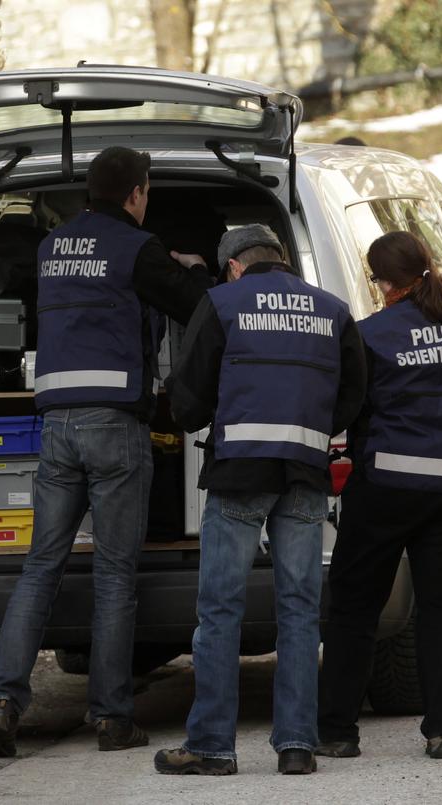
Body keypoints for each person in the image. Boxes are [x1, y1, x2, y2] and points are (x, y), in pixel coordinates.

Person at [0, 146, 212, 758]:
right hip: (115, 426)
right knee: (114, 575)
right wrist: (187, 267)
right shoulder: (139, 248)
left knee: (40, 568)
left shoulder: (52, 246)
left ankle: (3, 702)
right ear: (136, 193)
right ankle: (112, 718)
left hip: (55, 426)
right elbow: (194, 306)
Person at [154, 225, 366, 776]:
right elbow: (353, 395)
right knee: (299, 609)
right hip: (305, 473)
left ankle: (212, 747)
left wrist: (186, 412)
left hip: (240, 474)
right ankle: (297, 744)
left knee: (221, 610)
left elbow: (190, 399)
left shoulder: (222, 303)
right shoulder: (332, 309)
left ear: (233, 267)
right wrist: (310, 426)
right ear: (282, 260)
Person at [316, 231, 442, 761]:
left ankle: (336, 731)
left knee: (354, 606)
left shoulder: (371, 334)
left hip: (390, 487)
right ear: (430, 269)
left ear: (383, 283)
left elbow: (345, 412)